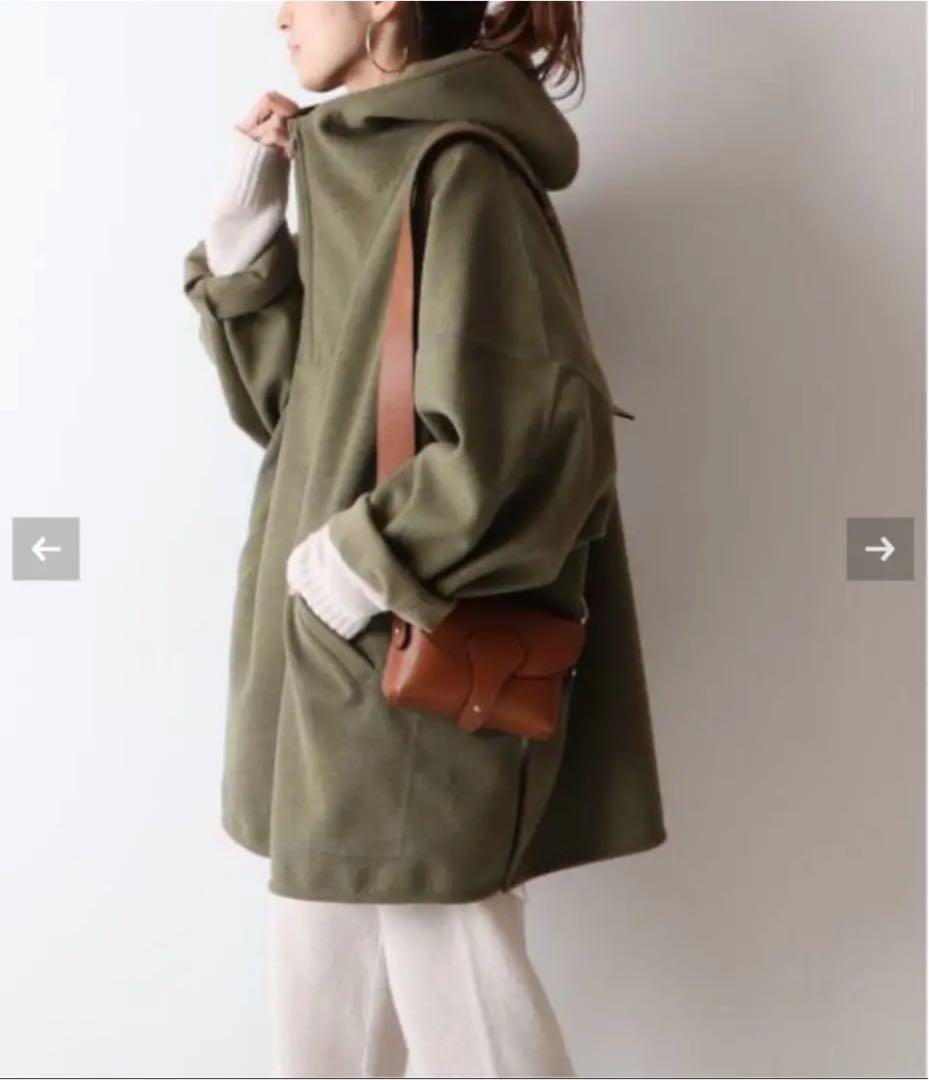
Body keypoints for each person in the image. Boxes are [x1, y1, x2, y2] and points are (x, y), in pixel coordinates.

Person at [182, 2, 667, 1076]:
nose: (279, 14)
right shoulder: (355, 164)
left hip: (406, 654)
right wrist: (246, 237)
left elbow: (537, 435)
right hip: (332, 662)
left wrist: (362, 563)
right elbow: (296, 416)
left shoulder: (461, 173)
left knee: (459, 993)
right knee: (324, 1003)